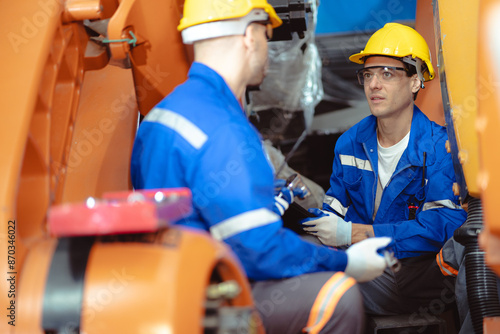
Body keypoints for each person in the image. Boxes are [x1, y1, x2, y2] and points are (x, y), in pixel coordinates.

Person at [130, 0, 392, 333]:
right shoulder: (225, 128)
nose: (267, 49)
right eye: (267, 36)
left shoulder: (162, 116)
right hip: (209, 298)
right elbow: (259, 248)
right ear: (249, 37)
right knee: (338, 295)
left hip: (172, 283)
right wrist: (348, 262)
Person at [301, 23, 468, 316]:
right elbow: (335, 206)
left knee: (329, 287)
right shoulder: (350, 143)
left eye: (387, 74)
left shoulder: (441, 148)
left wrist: (354, 234)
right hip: (367, 264)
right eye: (368, 75)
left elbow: (440, 228)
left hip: (418, 273)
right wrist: (320, 224)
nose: (373, 85)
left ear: (416, 81)